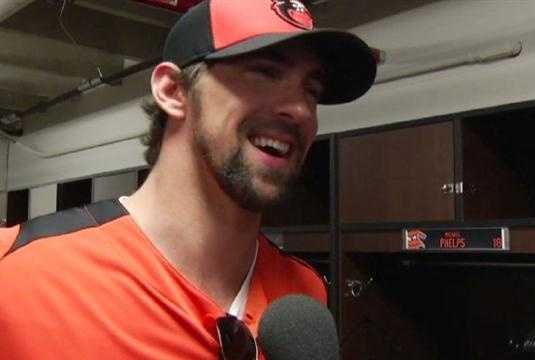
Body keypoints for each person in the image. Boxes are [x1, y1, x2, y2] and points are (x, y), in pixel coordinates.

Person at [0, 0, 376, 358]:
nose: (300, 110)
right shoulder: (16, 272)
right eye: (265, 72)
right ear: (173, 90)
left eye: (311, 90)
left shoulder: (303, 294)